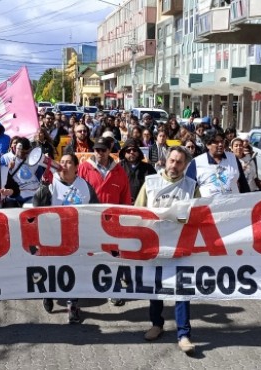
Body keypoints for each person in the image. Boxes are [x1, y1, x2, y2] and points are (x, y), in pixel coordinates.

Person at [134, 146, 196, 354]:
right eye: (172, 160)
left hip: (180, 245)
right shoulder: (151, 183)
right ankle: (156, 324)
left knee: (181, 291)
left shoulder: (191, 186)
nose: (174, 166)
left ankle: (184, 334)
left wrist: (173, 218)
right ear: (165, 160)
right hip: (155, 245)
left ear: (185, 165)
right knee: (155, 288)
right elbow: (138, 212)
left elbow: (196, 217)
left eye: (179, 162)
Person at [34, 154, 99, 322]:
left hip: (75, 236)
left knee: (73, 270)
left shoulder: (84, 186)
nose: (64, 165)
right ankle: (48, 294)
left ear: (77, 167)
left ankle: (72, 304)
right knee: (52, 269)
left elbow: (95, 208)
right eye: (61, 162)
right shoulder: (51, 182)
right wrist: (43, 185)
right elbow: (37, 205)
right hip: (52, 235)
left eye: (69, 162)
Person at [78, 137, 131, 306]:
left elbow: (125, 197)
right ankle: (84, 289)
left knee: (112, 256)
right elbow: (75, 191)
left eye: (103, 150)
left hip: (111, 222)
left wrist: (125, 217)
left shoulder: (119, 171)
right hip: (89, 219)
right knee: (88, 254)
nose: (99, 153)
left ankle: (113, 288)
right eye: (97, 149)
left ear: (110, 151)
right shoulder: (84, 168)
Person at [186, 131, 250, 196]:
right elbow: (187, 189)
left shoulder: (233, 158)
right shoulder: (197, 162)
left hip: (234, 204)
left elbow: (243, 184)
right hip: (209, 205)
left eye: (222, 141)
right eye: (216, 142)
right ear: (208, 145)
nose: (220, 144)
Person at [1, 137, 44, 205]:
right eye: (23, 152)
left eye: (27, 152)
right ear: (16, 149)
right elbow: (1, 177)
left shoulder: (33, 157)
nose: (25, 155)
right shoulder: (5, 158)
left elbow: (40, 173)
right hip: (17, 195)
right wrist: (8, 168)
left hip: (34, 193)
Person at [119, 138, 156, 203]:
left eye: (134, 150)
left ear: (138, 152)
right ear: (124, 153)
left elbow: (155, 187)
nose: (132, 152)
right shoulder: (118, 168)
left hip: (142, 205)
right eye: (128, 151)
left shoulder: (148, 168)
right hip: (122, 205)